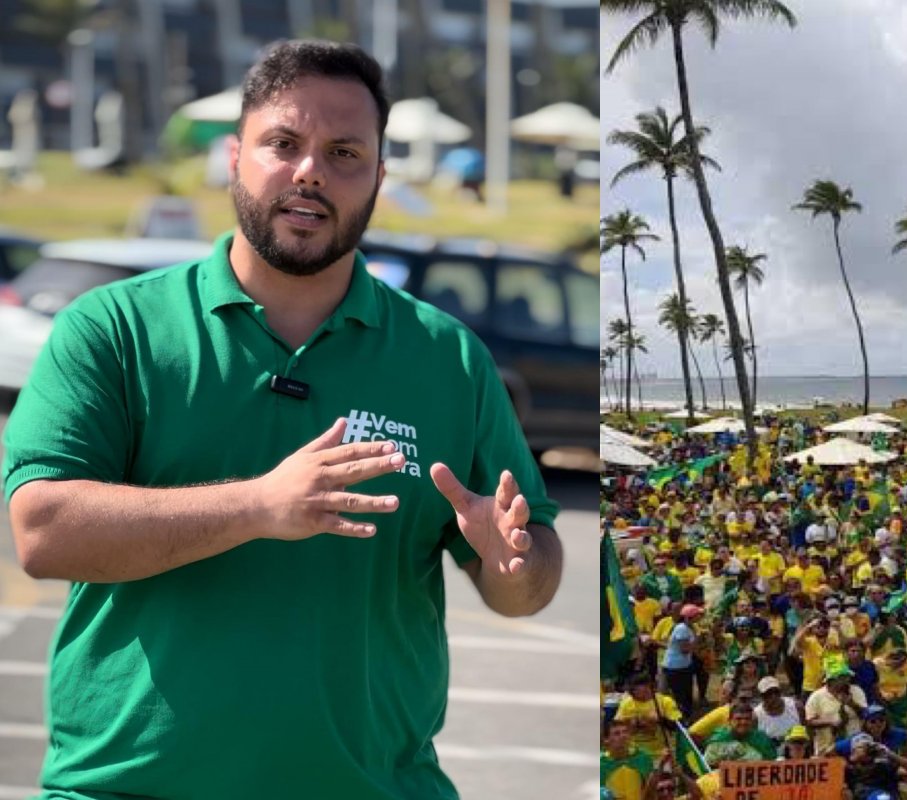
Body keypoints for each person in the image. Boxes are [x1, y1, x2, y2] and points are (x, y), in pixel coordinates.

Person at [2, 40, 563, 800]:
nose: (310, 171)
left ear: (378, 178)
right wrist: (260, 506)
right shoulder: (113, 328)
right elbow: (42, 530)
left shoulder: (448, 359)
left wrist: (516, 565)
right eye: (283, 144)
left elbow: (526, 584)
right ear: (235, 156)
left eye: (344, 152)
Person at [601, 719, 657, 800]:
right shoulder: (601, 764)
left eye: (625, 732)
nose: (623, 736)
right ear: (606, 740)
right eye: (617, 733)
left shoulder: (642, 758)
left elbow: (650, 792)